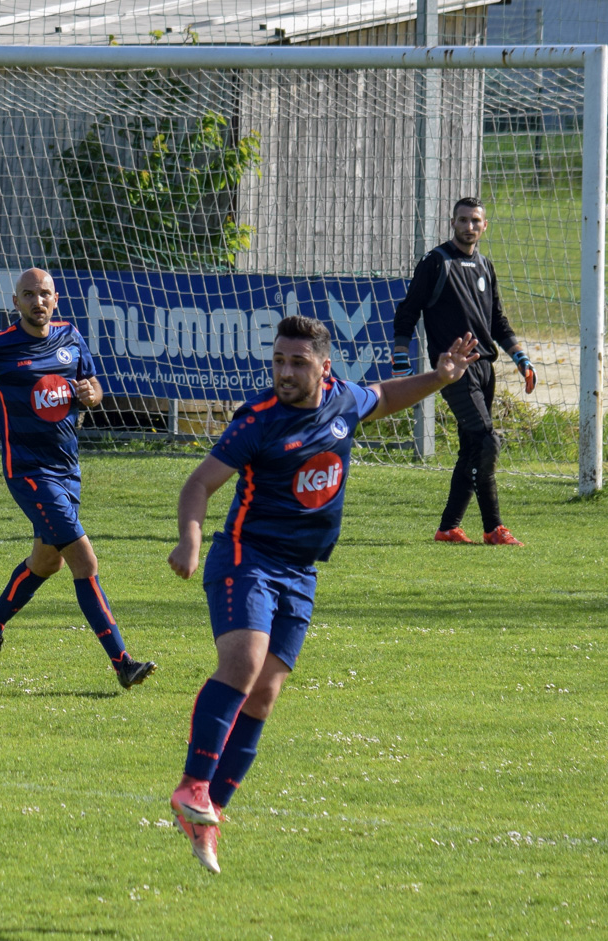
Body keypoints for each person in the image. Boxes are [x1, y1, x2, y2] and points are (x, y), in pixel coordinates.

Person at [165, 315, 479, 874]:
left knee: (264, 695)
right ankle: (193, 785)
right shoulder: (258, 421)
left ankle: (209, 814)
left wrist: (440, 377)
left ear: (325, 367)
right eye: (278, 361)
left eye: (298, 362)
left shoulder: (342, 400)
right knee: (244, 663)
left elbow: (385, 395)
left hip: (301, 571)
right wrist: (190, 539)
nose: (285, 372)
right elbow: (199, 483)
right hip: (246, 558)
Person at [0, 268, 156, 689]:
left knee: (47, 561)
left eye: (44, 294)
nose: (38, 301)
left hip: (68, 471)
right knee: (84, 561)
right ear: (16, 303)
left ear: (55, 299)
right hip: (29, 472)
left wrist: (93, 395)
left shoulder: (70, 337)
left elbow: (93, 387)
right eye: (29, 295)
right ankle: (123, 663)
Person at [391, 197, 536, 546]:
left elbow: (497, 321)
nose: (469, 226)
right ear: (452, 223)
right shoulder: (436, 262)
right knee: (486, 442)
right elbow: (409, 309)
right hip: (454, 370)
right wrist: (401, 352)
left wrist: (521, 358)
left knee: (471, 447)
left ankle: (449, 528)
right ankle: (494, 528)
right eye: (463, 220)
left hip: (485, 368)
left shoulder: (485, 265)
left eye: (475, 221)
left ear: (484, 226)